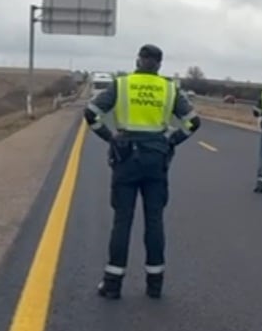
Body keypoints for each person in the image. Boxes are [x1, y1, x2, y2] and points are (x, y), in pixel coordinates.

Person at [83, 44, 202, 300]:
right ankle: (154, 285)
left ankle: (112, 284)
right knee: (154, 220)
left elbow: (91, 114)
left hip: (126, 158)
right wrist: (171, 141)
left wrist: (111, 138)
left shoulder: (122, 84)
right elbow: (193, 122)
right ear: (159, 64)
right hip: (156, 159)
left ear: (138, 60)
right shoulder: (169, 88)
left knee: (122, 220)